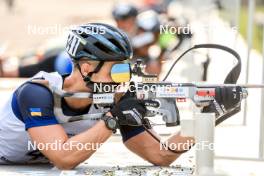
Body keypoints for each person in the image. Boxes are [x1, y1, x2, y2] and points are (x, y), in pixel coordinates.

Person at [0, 23, 241, 169]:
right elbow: (64, 158)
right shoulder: (36, 92)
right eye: (116, 70)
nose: (123, 79)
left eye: (126, 70)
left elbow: (161, 154)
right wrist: (112, 120)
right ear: (86, 67)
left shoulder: (115, 98)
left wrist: (206, 118)